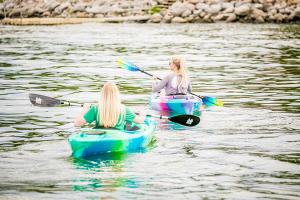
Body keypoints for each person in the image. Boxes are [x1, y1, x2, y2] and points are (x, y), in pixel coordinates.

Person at [74, 82, 146, 130]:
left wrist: (85, 109)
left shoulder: (95, 108)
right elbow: (140, 121)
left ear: (103, 94)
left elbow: (77, 124)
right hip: (117, 136)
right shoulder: (124, 109)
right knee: (133, 127)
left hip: (99, 135)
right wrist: (143, 115)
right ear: (116, 94)